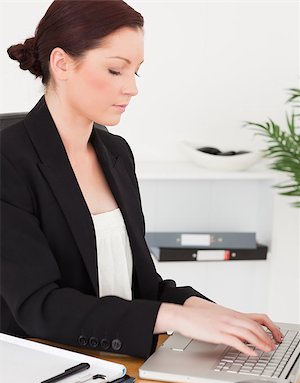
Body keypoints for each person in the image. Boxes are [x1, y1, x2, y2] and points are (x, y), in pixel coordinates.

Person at [1, 0, 282, 359]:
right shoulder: (8, 161)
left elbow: (142, 285)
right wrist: (174, 317)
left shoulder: (115, 153)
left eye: (137, 72)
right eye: (116, 70)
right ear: (62, 63)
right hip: (41, 372)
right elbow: (40, 306)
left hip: (121, 365)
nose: (132, 88)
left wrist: (207, 312)